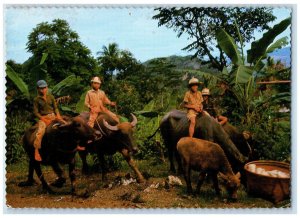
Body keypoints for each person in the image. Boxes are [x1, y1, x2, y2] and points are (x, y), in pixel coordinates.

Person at [33, 80, 65, 161]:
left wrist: (58, 116)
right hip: (43, 118)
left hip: (53, 116)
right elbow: (36, 112)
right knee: (40, 132)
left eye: (44, 88)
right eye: (41, 88)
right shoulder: (36, 99)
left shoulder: (51, 97)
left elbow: (55, 108)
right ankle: (36, 151)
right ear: (37, 89)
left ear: (47, 88)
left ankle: (74, 145)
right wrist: (43, 119)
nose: (43, 90)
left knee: (66, 125)